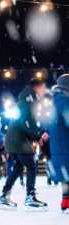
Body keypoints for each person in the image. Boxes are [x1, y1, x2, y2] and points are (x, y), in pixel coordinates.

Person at [0, 79, 50, 211]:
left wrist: (38, 134)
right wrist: (38, 135)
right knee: (31, 166)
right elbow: (25, 123)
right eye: (43, 88)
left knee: (18, 167)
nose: (44, 90)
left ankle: (4, 196)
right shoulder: (27, 101)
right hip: (18, 140)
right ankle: (30, 197)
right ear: (36, 87)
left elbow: (27, 123)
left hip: (15, 139)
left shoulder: (27, 100)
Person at [47, 74, 69, 213]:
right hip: (65, 143)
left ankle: (66, 200)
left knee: (65, 174)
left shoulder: (53, 101)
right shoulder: (63, 100)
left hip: (58, 145)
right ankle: (66, 200)